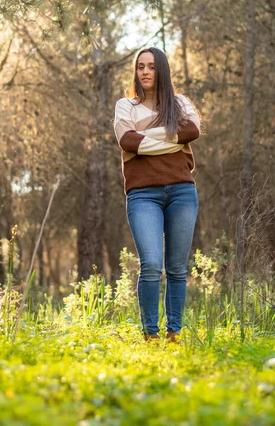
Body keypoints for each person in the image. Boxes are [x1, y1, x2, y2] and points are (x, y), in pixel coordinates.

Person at [113, 47, 201, 343]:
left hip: (181, 192)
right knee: (151, 264)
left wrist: (144, 139)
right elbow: (126, 140)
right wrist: (170, 137)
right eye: (140, 67)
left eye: (151, 66)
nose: (145, 72)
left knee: (177, 267)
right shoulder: (126, 107)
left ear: (161, 70)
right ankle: (150, 335)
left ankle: (173, 333)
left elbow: (192, 131)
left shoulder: (180, 103)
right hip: (142, 195)